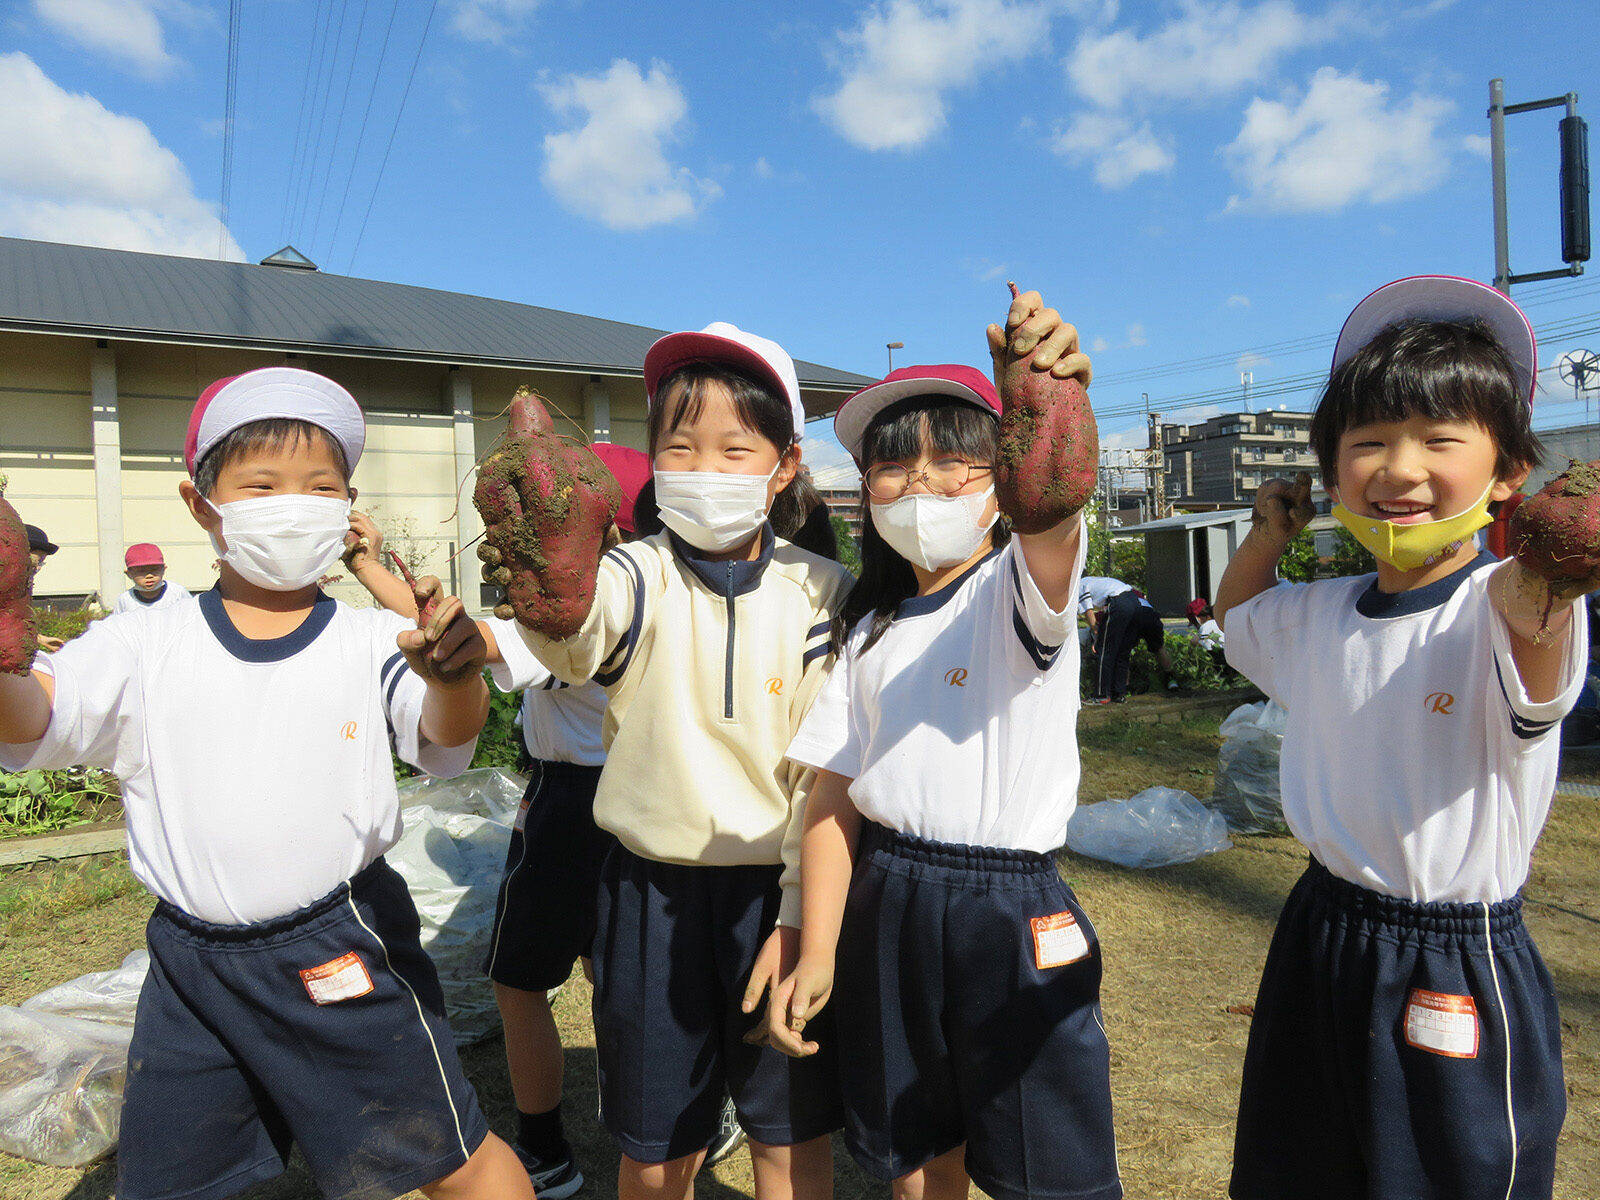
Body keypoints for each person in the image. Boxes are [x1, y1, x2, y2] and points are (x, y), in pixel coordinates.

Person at [0, 366, 534, 1200]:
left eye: (321, 485)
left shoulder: (368, 639)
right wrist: (4, 643)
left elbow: (443, 740)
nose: (294, 503)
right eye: (261, 483)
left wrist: (454, 677)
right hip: (190, 965)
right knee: (174, 1180)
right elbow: (32, 718)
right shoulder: (143, 641)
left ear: (347, 506)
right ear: (201, 502)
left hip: (340, 946)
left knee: (447, 1158)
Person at [1214, 276, 1590, 1200]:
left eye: (1439, 439)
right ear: (1334, 469)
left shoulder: (1505, 609)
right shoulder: (1319, 613)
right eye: (1369, 442)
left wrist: (1554, 560)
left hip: (1453, 955)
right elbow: (1238, 620)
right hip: (1322, 924)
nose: (1399, 467)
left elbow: (1537, 633)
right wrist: (1269, 533)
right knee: (1294, 1171)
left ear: (1509, 474)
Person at [767, 291, 1122, 1200]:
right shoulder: (871, 628)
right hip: (889, 895)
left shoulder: (1018, 589)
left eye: (957, 459)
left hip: (1010, 909)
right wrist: (816, 945)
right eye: (893, 466)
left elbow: (1050, 515)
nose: (920, 483)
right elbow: (834, 795)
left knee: (1047, 1160)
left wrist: (1049, 409)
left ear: (1002, 473)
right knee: (913, 1149)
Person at [486, 324, 854, 1200]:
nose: (706, 468)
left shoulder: (823, 593)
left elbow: (822, 777)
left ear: (786, 463)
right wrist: (551, 573)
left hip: (779, 893)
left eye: (736, 449)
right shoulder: (632, 574)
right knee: (656, 1152)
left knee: (789, 1138)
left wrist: (802, 919)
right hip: (648, 894)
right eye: (681, 448)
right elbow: (571, 637)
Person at [1079, 573, 1175, 700]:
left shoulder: (1080, 585)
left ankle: (1101, 695)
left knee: (1105, 651)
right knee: (1122, 650)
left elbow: (1088, 610)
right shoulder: (1095, 581)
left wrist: (1096, 633)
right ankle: (1119, 693)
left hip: (1119, 601)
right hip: (1134, 602)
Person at [112, 543, 193, 613]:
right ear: (129, 574)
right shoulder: (125, 600)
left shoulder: (177, 593)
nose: (149, 576)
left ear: (163, 569)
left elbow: (192, 617)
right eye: (141, 571)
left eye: (154, 569)